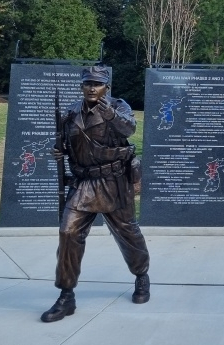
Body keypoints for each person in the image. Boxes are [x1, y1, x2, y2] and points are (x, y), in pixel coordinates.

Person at [41, 65, 149, 322]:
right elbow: (70, 144)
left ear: (106, 87)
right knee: (68, 232)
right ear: (81, 86)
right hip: (83, 183)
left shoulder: (118, 107)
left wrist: (109, 113)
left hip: (113, 181)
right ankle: (66, 295)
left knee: (127, 233)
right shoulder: (71, 113)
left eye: (97, 84)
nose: (92, 87)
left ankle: (141, 275)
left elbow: (129, 130)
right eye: (88, 83)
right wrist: (60, 151)